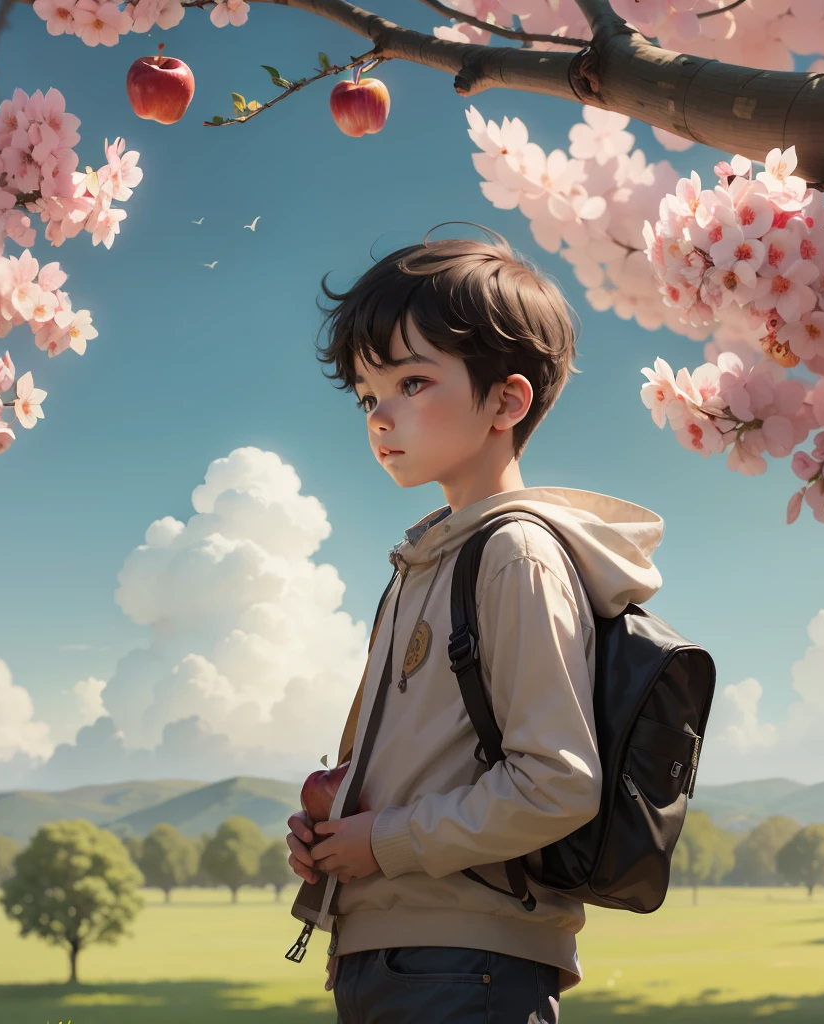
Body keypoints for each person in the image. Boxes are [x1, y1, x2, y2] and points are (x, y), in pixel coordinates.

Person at [285, 228, 666, 1024]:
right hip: (393, 950)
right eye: (366, 395)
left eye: (413, 383)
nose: (381, 416)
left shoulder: (512, 556)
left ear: (506, 399)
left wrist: (382, 842)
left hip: (465, 966)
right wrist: (341, 828)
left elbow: (557, 782)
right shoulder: (425, 563)